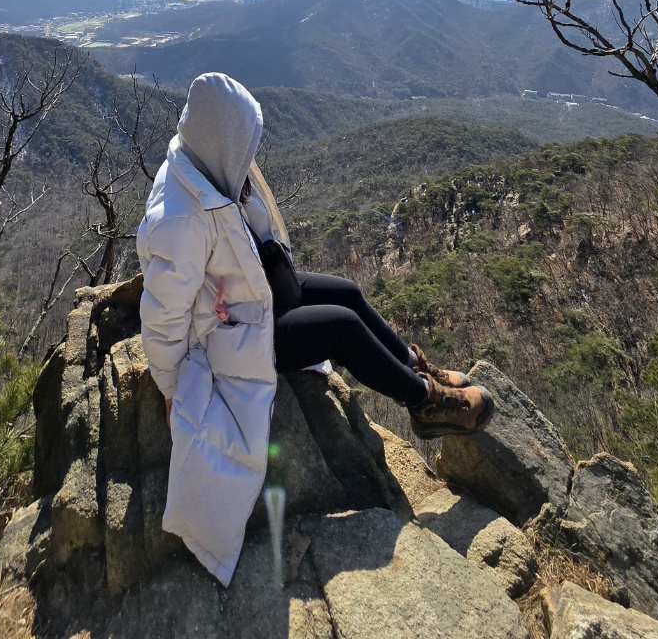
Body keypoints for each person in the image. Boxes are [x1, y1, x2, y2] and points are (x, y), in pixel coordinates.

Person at [136, 71, 494, 585]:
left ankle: (413, 367)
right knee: (341, 327)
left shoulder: (201, 165)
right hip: (236, 338)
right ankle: (425, 401)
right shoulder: (180, 219)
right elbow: (163, 316)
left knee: (346, 290)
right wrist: (173, 386)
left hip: (254, 297)